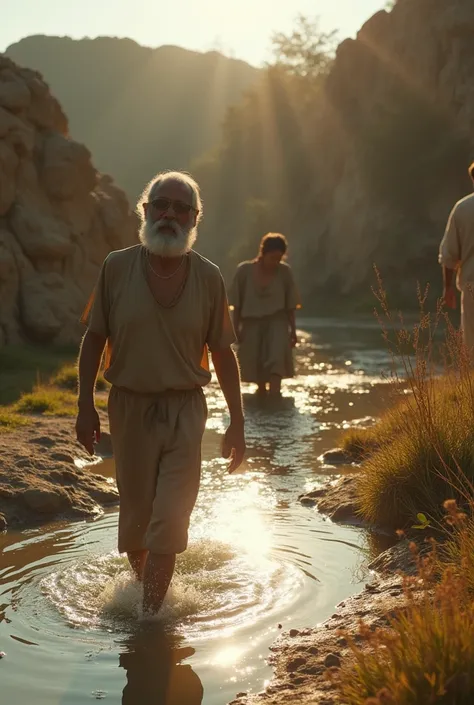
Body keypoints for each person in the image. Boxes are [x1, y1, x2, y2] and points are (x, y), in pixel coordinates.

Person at [75, 170, 246, 616]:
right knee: (136, 519)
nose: (170, 213)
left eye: (181, 207)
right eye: (161, 204)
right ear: (145, 210)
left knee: (169, 517)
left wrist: (238, 423)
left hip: (186, 410)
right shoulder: (116, 267)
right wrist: (83, 406)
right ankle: (149, 591)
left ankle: (150, 621)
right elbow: (94, 338)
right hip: (128, 407)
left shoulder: (209, 277)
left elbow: (223, 353)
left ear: (194, 218)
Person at [230, 233, 300, 397]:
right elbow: (236, 304)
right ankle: (262, 404)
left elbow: (290, 305)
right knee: (257, 369)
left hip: (278, 323)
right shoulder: (244, 271)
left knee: (276, 364)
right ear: (263, 253)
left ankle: (275, 400)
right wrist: (235, 328)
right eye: (272, 257)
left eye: (279, 258)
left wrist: (293, 331)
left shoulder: (284, 272)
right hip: (251, 324)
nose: (275, 262)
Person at [439, 162, 474, 355]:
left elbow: (449, 254)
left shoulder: (462, 208)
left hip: (471, 285)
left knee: (471, 346)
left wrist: (448, 287)